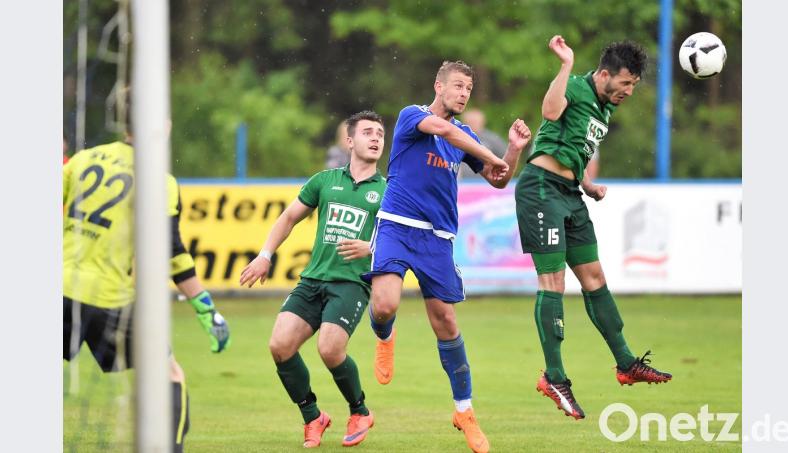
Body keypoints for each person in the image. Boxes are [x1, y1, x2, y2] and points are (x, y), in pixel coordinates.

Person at [363, 61, 531, 453]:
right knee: (385, 305)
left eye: (469, 89)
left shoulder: (466, 135)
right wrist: (491, 154)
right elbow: (445, 130)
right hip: (396, 225)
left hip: (437, 238)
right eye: (457, 86)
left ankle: (464, 411)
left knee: (447, 321)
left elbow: (499, 179)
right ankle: (384, 335)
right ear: (438, 86)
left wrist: (511, 151)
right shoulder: (413, 116)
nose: (463, 93)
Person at [514, 36, 672, 421]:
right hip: (540, 189)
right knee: (552, 283)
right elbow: (550, 114)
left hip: (569, 193)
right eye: (625, 83)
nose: (629, 91)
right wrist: (565, 64)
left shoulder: (605, 105)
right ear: (604, 74)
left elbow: (572, 146)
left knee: (595, 277)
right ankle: (554, 377)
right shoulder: (577, 85)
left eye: (633, 85)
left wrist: (585, 183)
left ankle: (626, 362)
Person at [63, 134, 231, 452]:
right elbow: (171, 250)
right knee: (169, 373)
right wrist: (206, 309)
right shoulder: (159, 180)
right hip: (109, 297)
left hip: (58, 287)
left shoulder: (84, 159)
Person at [239, 111, 386, 448]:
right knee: (280, 346)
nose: (376, 138)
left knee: (330, 348)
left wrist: (373, 246)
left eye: (380, 133)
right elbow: (289, 217)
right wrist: (265, 255)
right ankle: (313, 417)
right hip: (313, 280)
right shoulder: (324, 180)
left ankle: (359, 410)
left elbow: (400, 242)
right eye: (367, 132)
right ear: (350, 141)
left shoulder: (388, 192)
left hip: (351, 283)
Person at [457, 108, 507, 179]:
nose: (472, 124)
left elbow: (505, 156)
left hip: (485, 183)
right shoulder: (457, 137)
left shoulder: (492, 139)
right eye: (470, 122)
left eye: (475, 122)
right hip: (461, 182)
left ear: (482, 122)